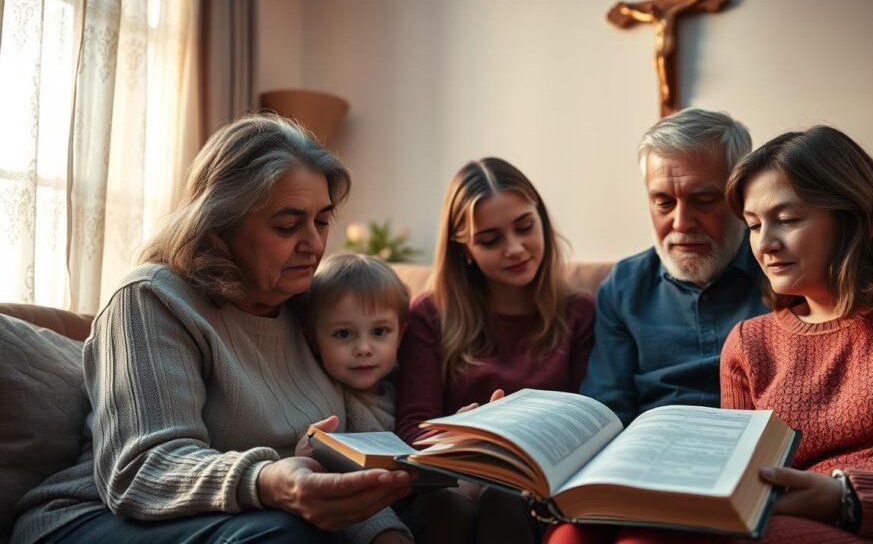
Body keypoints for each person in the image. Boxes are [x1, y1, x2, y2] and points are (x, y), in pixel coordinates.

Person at [548, 125, 873, 543]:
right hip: (762, 510)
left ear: (853, 217)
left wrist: (847, 496)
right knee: (572, 533)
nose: (766, 244)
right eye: (754, 225)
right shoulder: (749, 342)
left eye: (788, 220)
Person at [12, 114, 412, 544]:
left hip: (262, 513)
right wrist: (268, 480)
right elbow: (143, 468)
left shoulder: (311, 314)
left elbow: (337, 459)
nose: (314, 244)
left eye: (321, 221)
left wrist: (383, 529)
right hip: (92, 518)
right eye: (287, 225)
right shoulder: (152, 299)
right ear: (219, 225)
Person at [581, 108, 873, 426]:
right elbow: (606, 408)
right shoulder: (624, 286)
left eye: (703, 199)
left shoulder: (801, 259)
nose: (680, 223)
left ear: (739, 191)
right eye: (663, 202)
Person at [395, 157, 596, 544]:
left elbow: (590, 420)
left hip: (539, 485)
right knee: (444, 506)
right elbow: (410, 428)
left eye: (525, 227)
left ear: (542, 219)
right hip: (453, 484)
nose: (516, 248)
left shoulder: (578, 311)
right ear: (464, 249)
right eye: (490, 240)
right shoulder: (430, 315)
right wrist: (459, 433)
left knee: (504, 501)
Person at [299, 253, 415, 543]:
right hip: (364, 516)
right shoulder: (328, 402)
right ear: (314, 339)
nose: (364, 348)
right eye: (343, 334)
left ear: (400, 335)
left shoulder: (406, 389)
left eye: (379, 331)